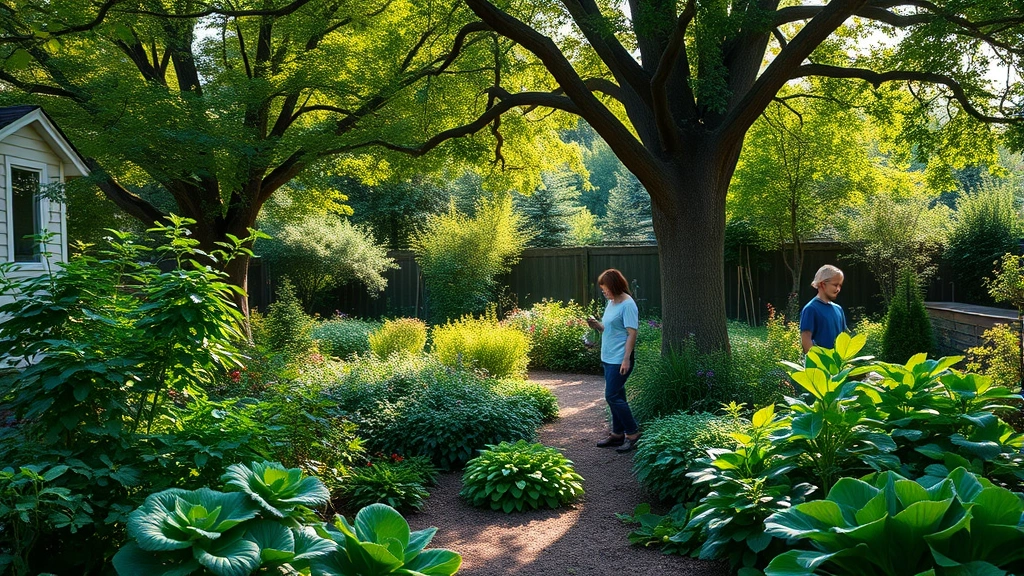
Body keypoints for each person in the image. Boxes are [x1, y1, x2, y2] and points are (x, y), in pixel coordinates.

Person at [586, 269, 641, 453]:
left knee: (611, 395)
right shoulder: (611, 303)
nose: (604, 292)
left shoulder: (628, 305)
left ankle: (632, 434)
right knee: (617, 396)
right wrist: (597, 325)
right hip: (608, 356)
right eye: (603, 290)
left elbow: (632, 334)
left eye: (606, 289)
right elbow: (609, 329)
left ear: (615, 286)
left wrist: (626, 359)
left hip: (620, 359)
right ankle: (617, 434)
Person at [800, 264, 848, 353]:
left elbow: (843, 337)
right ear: (822, 284)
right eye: (835, 285)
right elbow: (806, 340)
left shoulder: (838, 309)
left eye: (840, 285)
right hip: (819, 365)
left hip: (836, 364)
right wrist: (818, 362)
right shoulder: (811, 309)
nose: (838, 289)